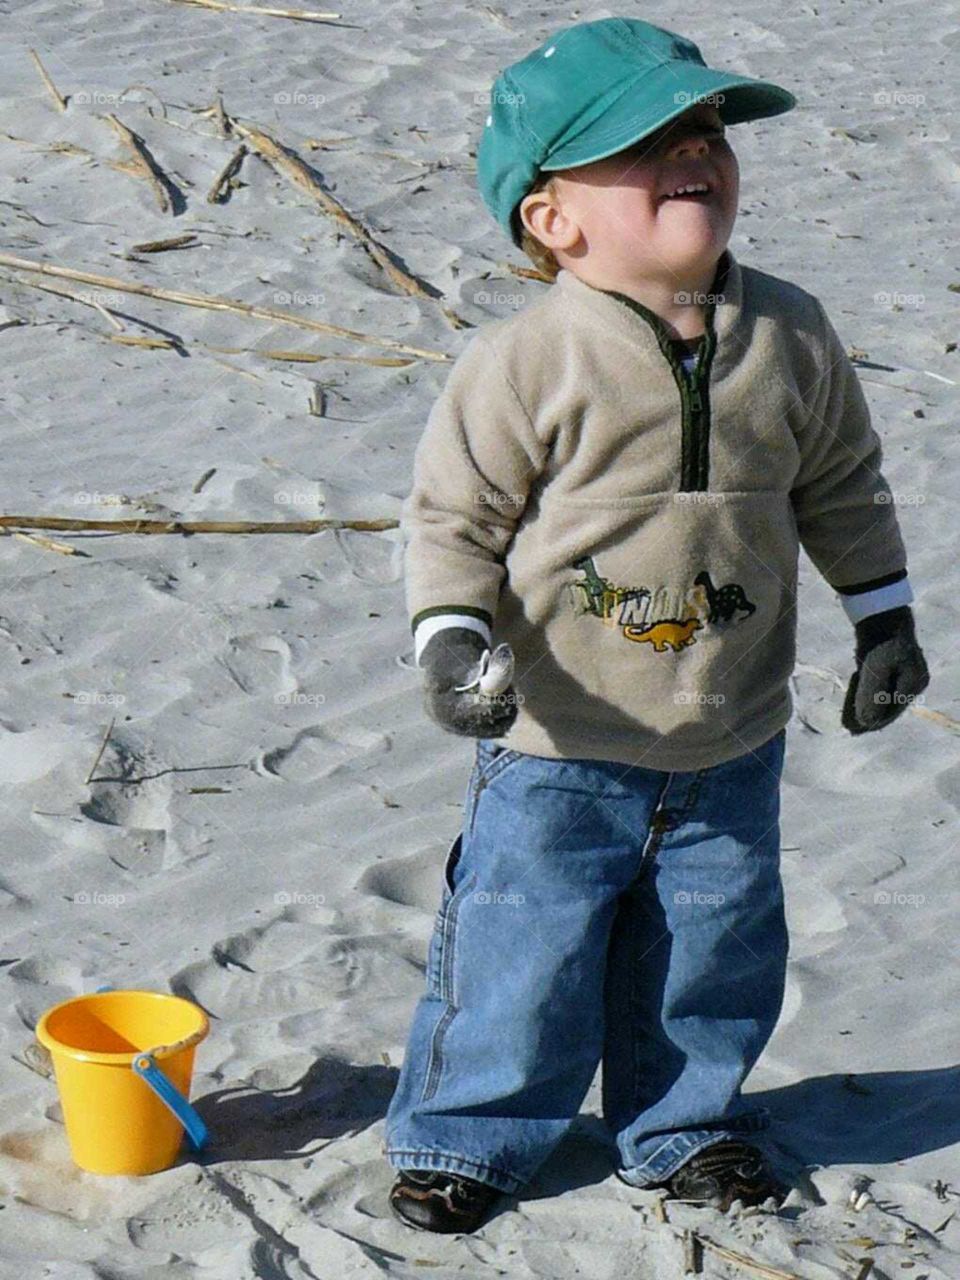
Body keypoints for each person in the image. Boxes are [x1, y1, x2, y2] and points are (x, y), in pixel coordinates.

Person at [383, 16, 930, 1234]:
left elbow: (842, 481)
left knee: (712, 952)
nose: (696, 151)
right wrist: (449, 638)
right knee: (522, 949)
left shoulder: (790, 332)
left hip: (730, 730)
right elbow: (453, 520)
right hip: (558, 740)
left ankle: (682, 1125)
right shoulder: (526, 360)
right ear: (552, 219)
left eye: (706, 133)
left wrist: (884, 617)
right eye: (647, 142)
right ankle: (468, 1134)